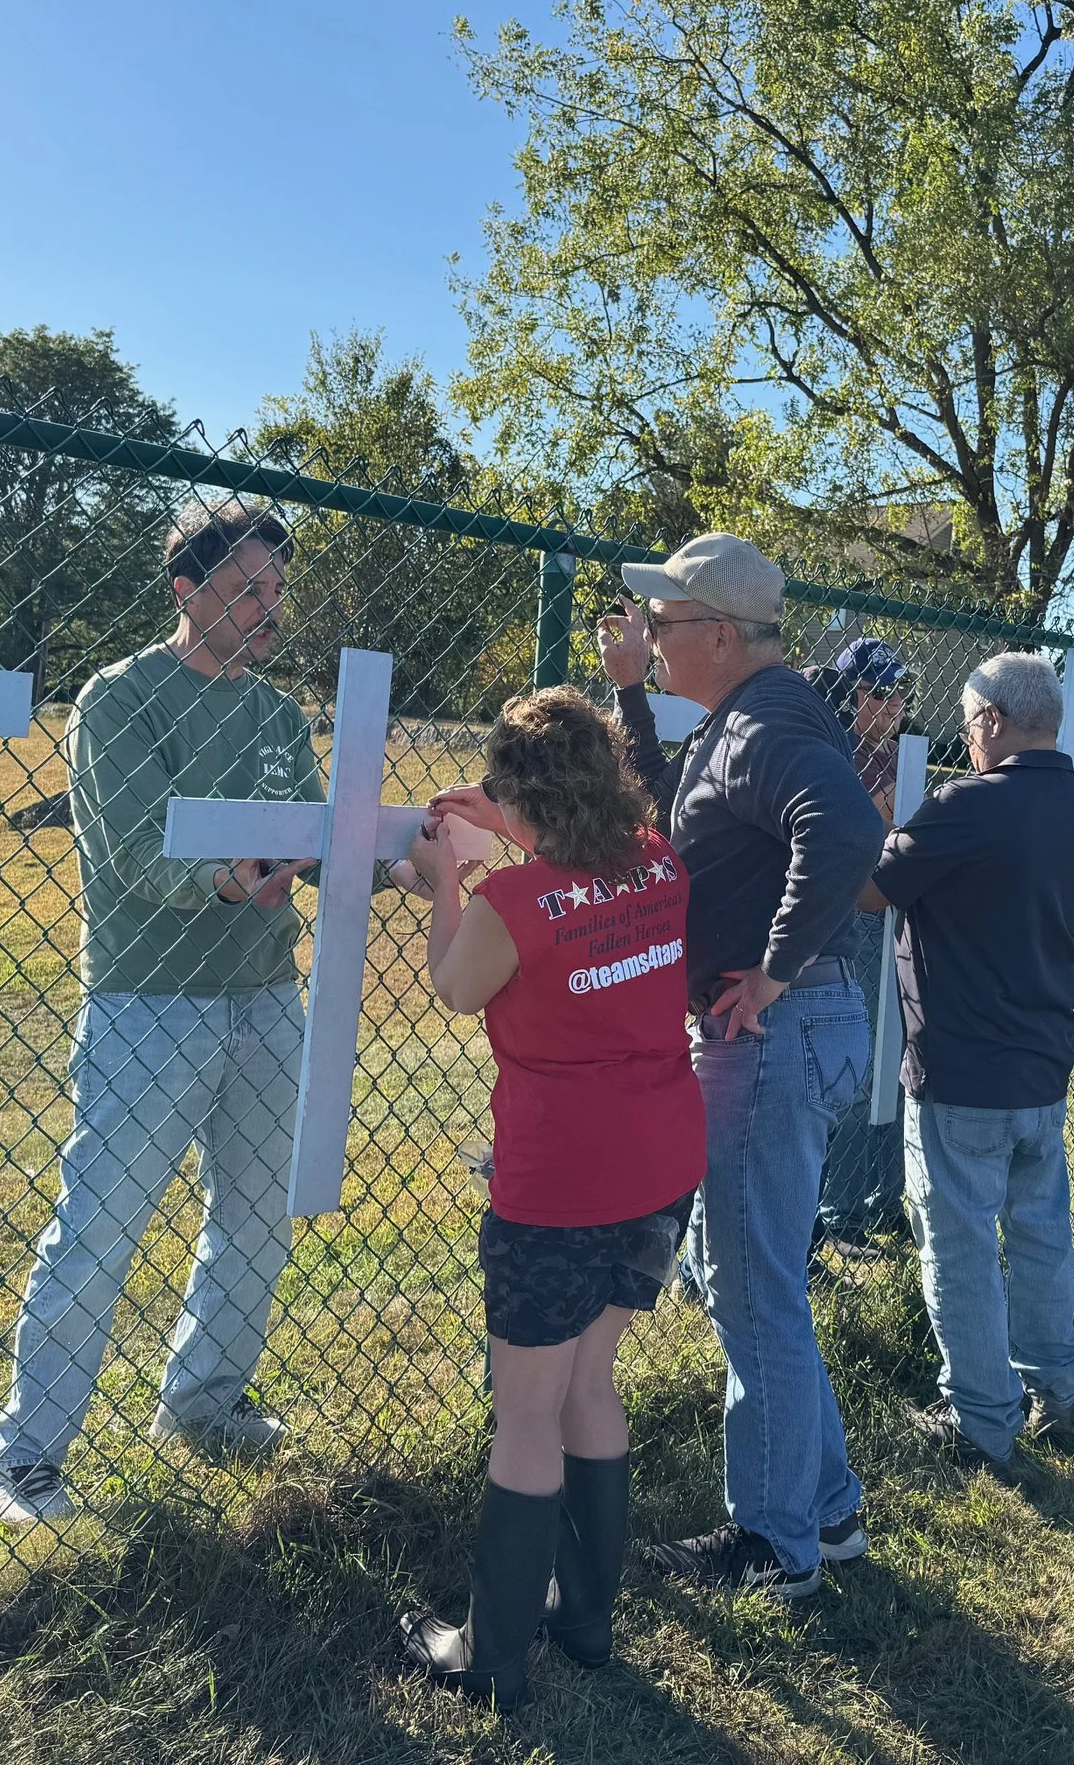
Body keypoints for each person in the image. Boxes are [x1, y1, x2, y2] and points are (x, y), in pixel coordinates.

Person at [0, 500, 322, 1524]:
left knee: (258, 1218)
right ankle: (28, 1461)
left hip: (267, 997)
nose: (269, 609)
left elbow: (313, 829)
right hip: (150, 1003)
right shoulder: (121, 698)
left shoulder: (273, 712)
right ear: (188, 591)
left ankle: (203, 1404)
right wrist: (229, 880)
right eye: (247, 589)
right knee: (100, 1228)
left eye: (275, 590)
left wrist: (394, 853)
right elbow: (131, 851)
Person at [397, 690, 706, 1708]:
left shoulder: (513, 904)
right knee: (590, 1387)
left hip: (560, 1180)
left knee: (527, 1411)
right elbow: (588, 864)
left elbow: (453, 983)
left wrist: (448, 880)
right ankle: (584, 1622)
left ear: (520, 795)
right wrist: (507, 820)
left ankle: (490, 1652)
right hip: (659, 1166)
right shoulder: (658, 861)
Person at [598, 532, 884, 1598]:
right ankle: (827, 1509)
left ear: (720, 635)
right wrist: (631, 696)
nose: (651, 638)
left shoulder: (769, 725)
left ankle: (774, 1544)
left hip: (769, 1031)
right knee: (754, 1280)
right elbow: (672, 809)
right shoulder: (748, 719)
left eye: (663, 627)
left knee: (753, 1291)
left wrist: (769, 969)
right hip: (781, 1032)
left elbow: (847, 829)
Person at [856, 653, 1074, 1467]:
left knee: (958, 1241)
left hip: (961, 1064)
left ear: (994, 719)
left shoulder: (968, 803)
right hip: (1042, 1058)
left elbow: (873, 888)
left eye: (966, 721)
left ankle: (982, 1416)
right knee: (1039, 1231)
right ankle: (1055, 1383)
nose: (965, 737)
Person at [807, 636, 913, 1250]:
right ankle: (839, 1206)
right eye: (880, 691)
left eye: (901, 691)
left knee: (896, 1063)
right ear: (850, 697)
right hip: (855, 921)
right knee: (860, 1062)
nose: (894, 703)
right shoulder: (841, 753)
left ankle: (883, 1195)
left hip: (898, 918)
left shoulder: (902, 757)